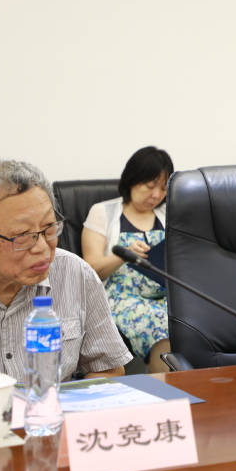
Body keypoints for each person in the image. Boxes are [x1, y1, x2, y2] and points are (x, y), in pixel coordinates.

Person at [0, 161, 131, 391]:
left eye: (49, 227)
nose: (42, 247)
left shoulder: (76, 274)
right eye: (22, 235)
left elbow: (108, 368)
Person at [82, 146, 173, 373]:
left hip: (166, 296)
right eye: (150, 186)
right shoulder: (103, 212)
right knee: (160, 324)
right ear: (132, 180)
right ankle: (163, 392)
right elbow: (90, 269)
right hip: (121, 296)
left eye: (163, 189)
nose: (156, 195)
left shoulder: (170, 215)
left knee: (191, 322)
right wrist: (123, 255)